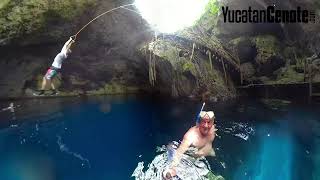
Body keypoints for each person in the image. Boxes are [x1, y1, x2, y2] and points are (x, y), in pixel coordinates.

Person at [163, 111, 218, 179]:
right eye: (203, 122)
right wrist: (173, 168)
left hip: (207, 153)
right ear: (198, 123)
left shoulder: (212, 129)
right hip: (191, 159)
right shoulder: (191, 137)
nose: (206, 125)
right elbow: (180, 152)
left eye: (209, 122)